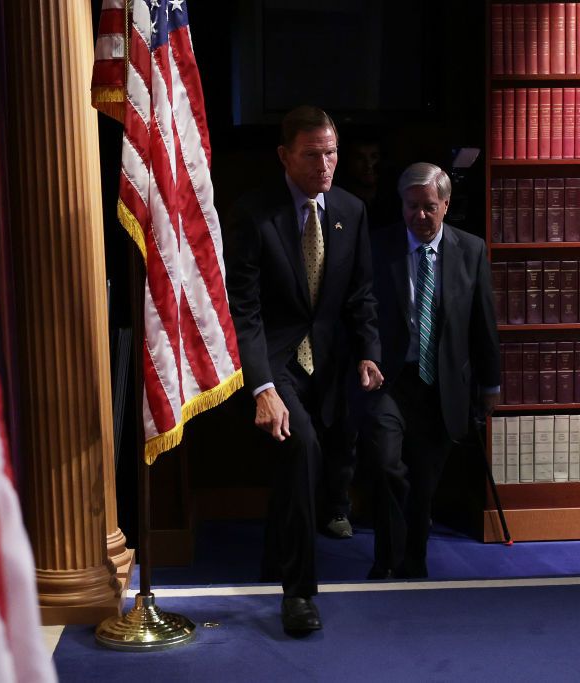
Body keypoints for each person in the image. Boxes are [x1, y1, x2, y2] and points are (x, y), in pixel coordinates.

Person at [224, 106, 384, 634]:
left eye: (332, 152)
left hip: (333, 359)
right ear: (284, 156)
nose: (326, 164)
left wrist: (369, 352)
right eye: (313, 154)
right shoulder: (253, 213)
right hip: (277, 361)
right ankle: (298, 597)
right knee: (302, 446)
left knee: (325, 460)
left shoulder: (351, 210)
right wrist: (261, 387)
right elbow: (243, 310)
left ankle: (278, 559)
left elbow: (360, 293)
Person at [362, 162, 500, 580]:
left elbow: (483, 323)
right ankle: (386, 556)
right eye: (411, 207)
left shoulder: (470, 250)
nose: (420, 217)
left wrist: (490, 384)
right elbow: (360, 311)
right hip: (389, 380)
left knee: (424, 482)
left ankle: (413, 563)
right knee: (387, 466)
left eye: (429, 207)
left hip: (442, 385)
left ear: (446, 204)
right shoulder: (376, 246)